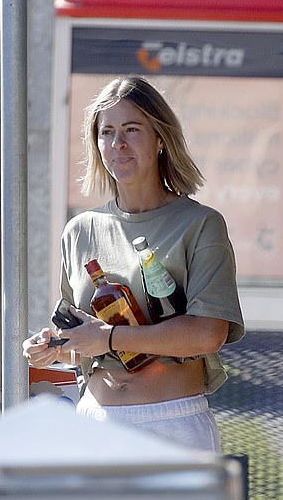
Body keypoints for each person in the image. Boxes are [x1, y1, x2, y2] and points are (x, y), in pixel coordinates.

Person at [23, 75, 244, 451]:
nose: (117, 144)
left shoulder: (200, 224)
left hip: (173, 425)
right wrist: (53, 347)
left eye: (131, 129)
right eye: (106, 132)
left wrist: (108, 337)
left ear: (160, 139)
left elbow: (209, 334)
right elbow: (84, 341)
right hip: (95, 424)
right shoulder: (79, 230)